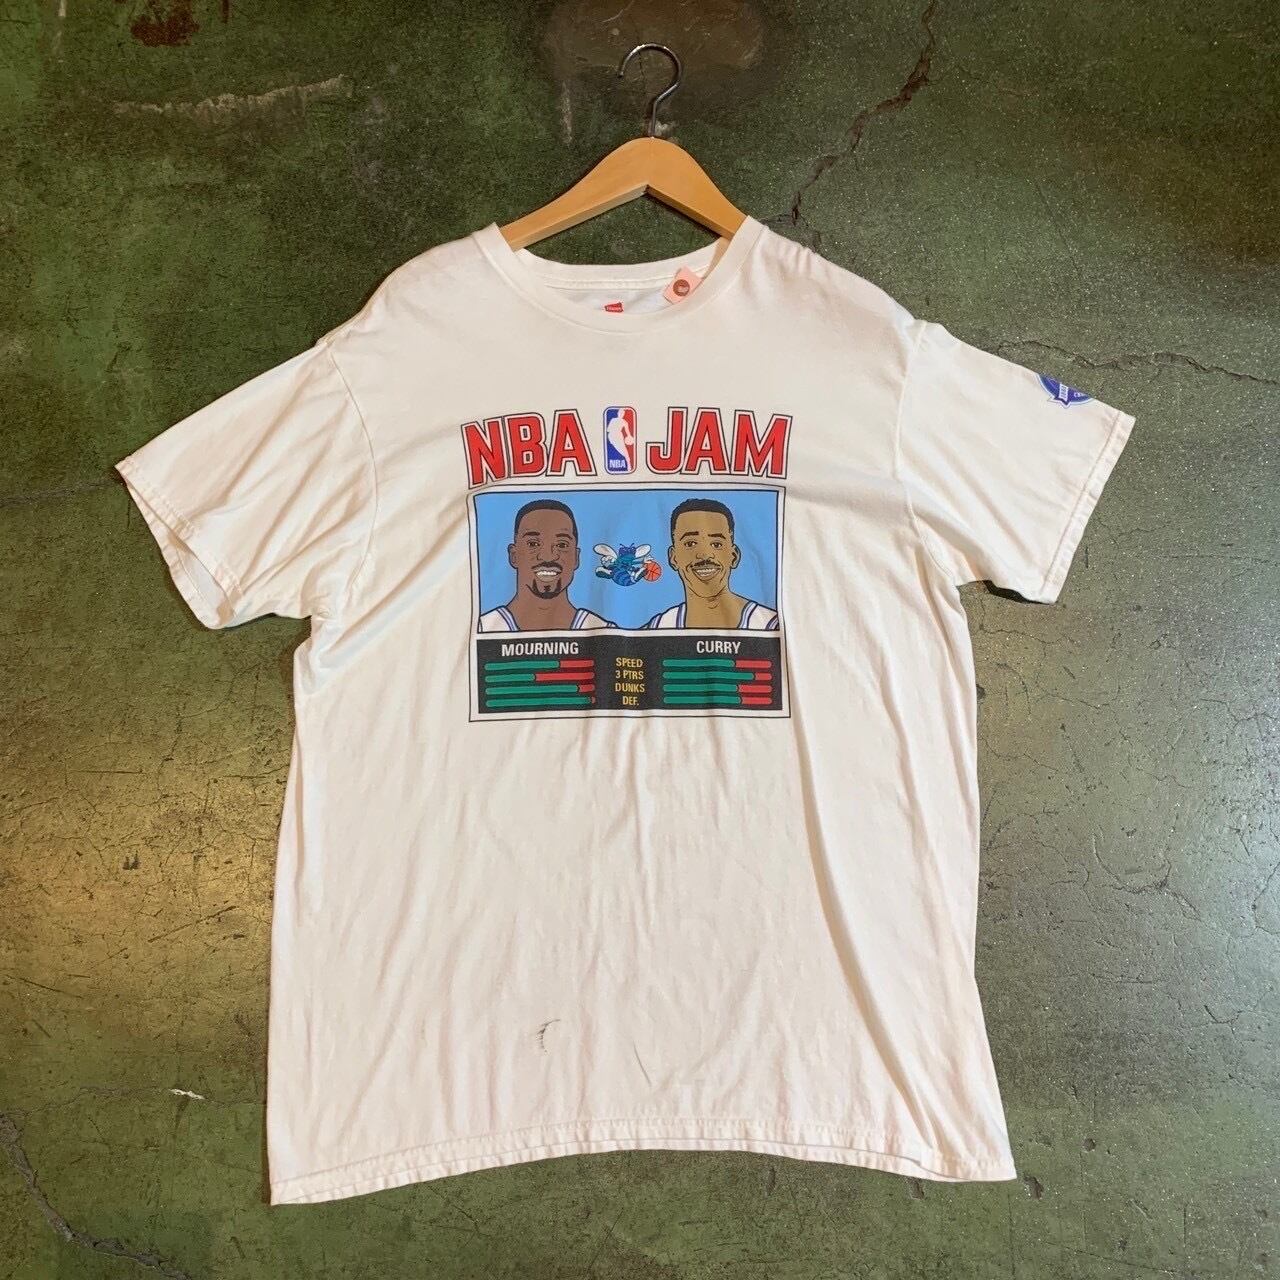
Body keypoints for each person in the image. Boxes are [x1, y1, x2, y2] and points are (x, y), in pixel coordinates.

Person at [479, 499, 615, 632]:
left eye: (562, 545)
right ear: (513, 555)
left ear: (576, 557)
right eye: (533, 544)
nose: (548, 556)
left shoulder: (606, 632)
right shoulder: (480, 630)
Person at [644, 497, 779, 630]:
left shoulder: (772, 627)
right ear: (673, 558)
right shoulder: (656, 628)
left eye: (716, 544)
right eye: (690, 544)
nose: (705, 555)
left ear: (734, 556)